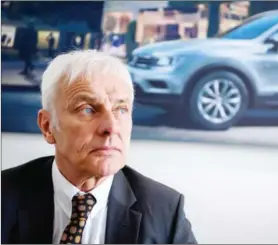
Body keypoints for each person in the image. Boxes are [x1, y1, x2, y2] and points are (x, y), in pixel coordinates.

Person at [1, 50, 197, 244]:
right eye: (87, 109)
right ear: (47, 126)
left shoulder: (166, 211)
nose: (111, 127)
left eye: (121, 109)